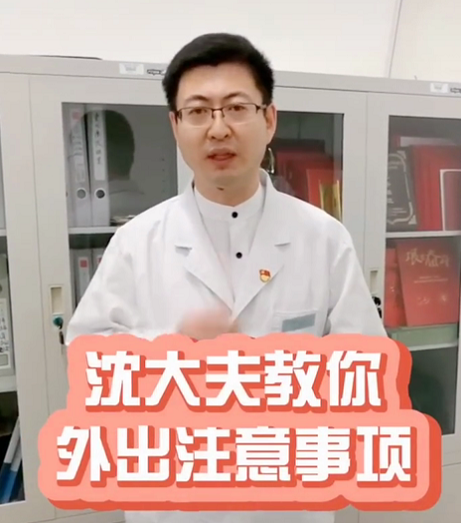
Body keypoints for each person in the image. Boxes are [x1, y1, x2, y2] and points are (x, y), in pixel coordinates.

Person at [65, 33, 387, 523]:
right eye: (197, 111)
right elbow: (86, 363)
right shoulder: (136, 242)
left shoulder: (323, 237)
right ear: (175, 126)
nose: (218, 129)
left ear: (269, 119)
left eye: (237, 108)